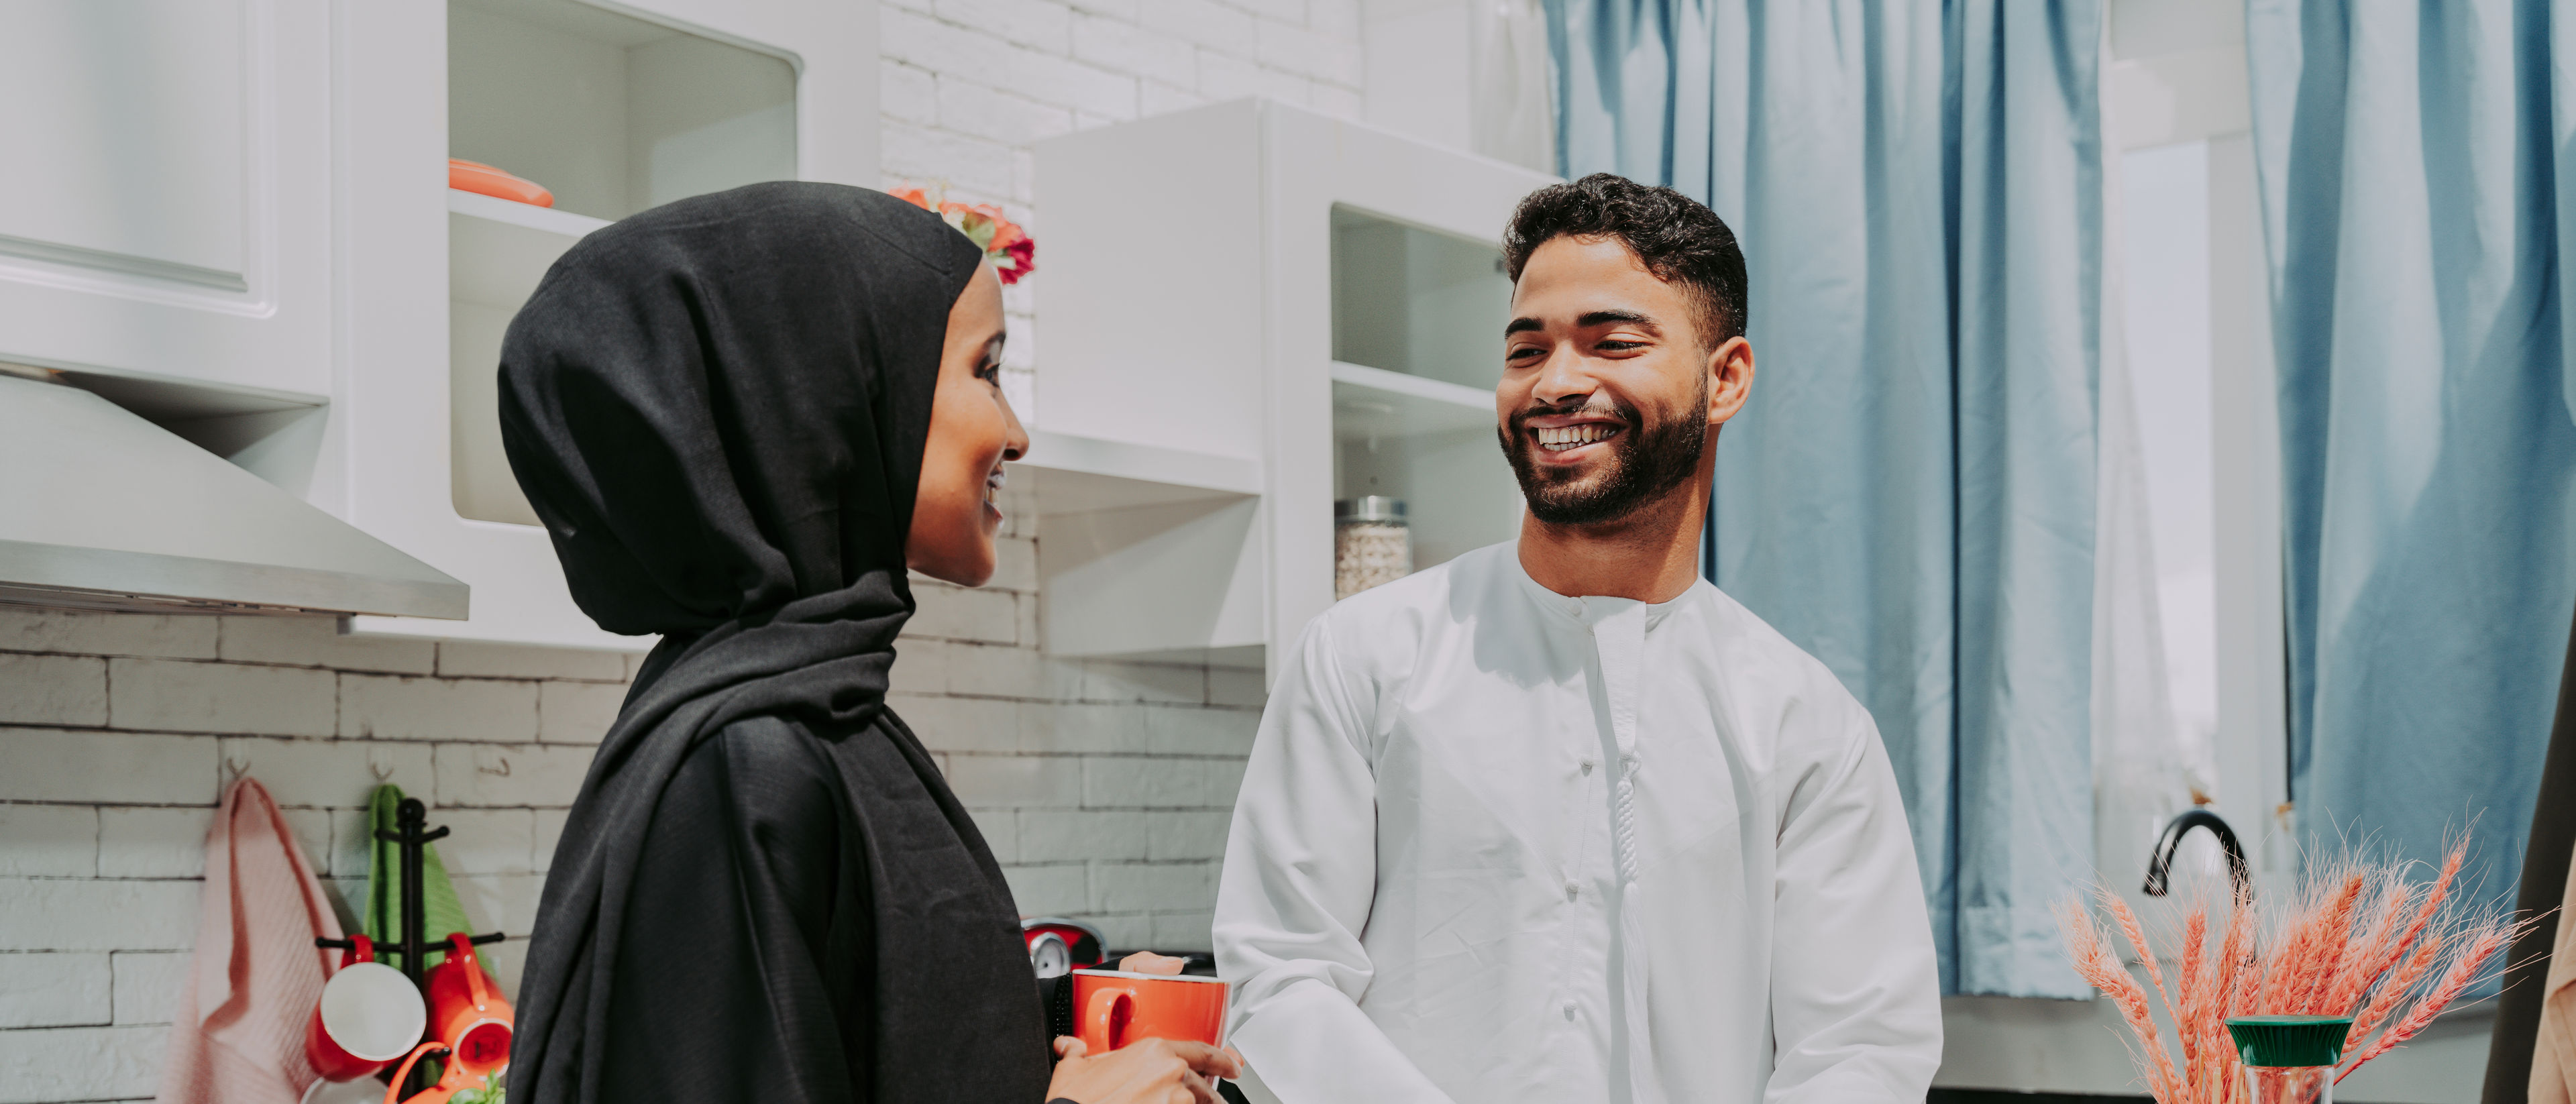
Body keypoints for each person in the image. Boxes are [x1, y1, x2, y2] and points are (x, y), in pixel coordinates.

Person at [498, 182, 1238, 1104]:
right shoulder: (739, 764)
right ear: (833, 390)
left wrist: (1054, 1040)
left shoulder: (829, 720)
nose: (1016, 432)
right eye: (987, 369)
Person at [1212, 174, 1942, 1103]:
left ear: (1726, 378)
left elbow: (1861, 1052)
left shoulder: (1805, 725)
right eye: (1527, 350)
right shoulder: (1364, 657)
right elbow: (1279, 977)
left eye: (1613, 343)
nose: (1556, 384)